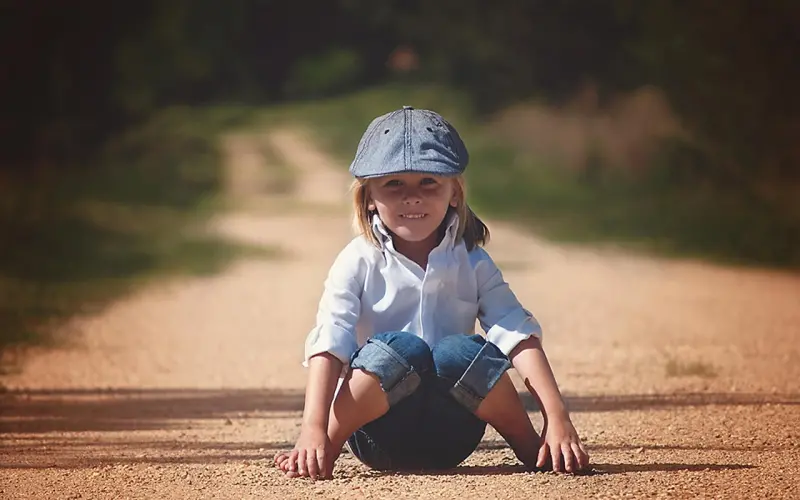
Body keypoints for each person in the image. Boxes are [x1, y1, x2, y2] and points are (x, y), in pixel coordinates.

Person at [274, 106, 589, 480]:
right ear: (369, 197)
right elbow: (331, 340)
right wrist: (313, 429)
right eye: (394, 184)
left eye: (429, 182)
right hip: (378, 435)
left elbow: (516, 333)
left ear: (454, 192)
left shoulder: (472, 260)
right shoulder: (357, 260)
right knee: (403, 349)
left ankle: (529, 444)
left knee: (458, 352)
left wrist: (558, 417)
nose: (412, 198)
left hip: (452, 434)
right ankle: (326, 447)